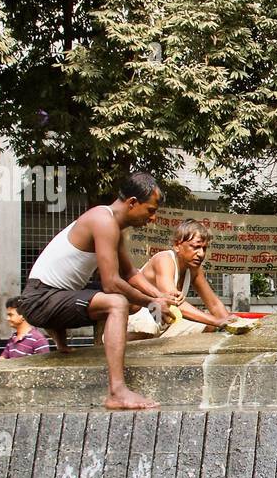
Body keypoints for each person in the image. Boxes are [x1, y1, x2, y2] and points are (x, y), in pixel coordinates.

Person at [17, 171, 178, 411]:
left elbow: (131, 274)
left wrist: (158, 297)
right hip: (39, 299)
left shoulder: (113, 225)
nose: (152, 218)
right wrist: (153, 304)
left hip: (51, 294)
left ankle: (62, 342)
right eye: (151, 210)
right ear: (132, 203)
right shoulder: (103, 221)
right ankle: (117, 391)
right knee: (117, 303)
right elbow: (112, 283)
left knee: (130, 302)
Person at [127, 220, 237, 337]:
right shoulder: (164, 259)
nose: (201, 254)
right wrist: (216, 321)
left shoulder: (194, 269)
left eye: (204, 248)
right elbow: (173, 303)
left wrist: (232, 323)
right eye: (195, 247)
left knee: (209, 326)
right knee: (151, 323)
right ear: (177, 245)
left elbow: (214, 304)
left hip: (165, 320)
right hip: (141, 316)